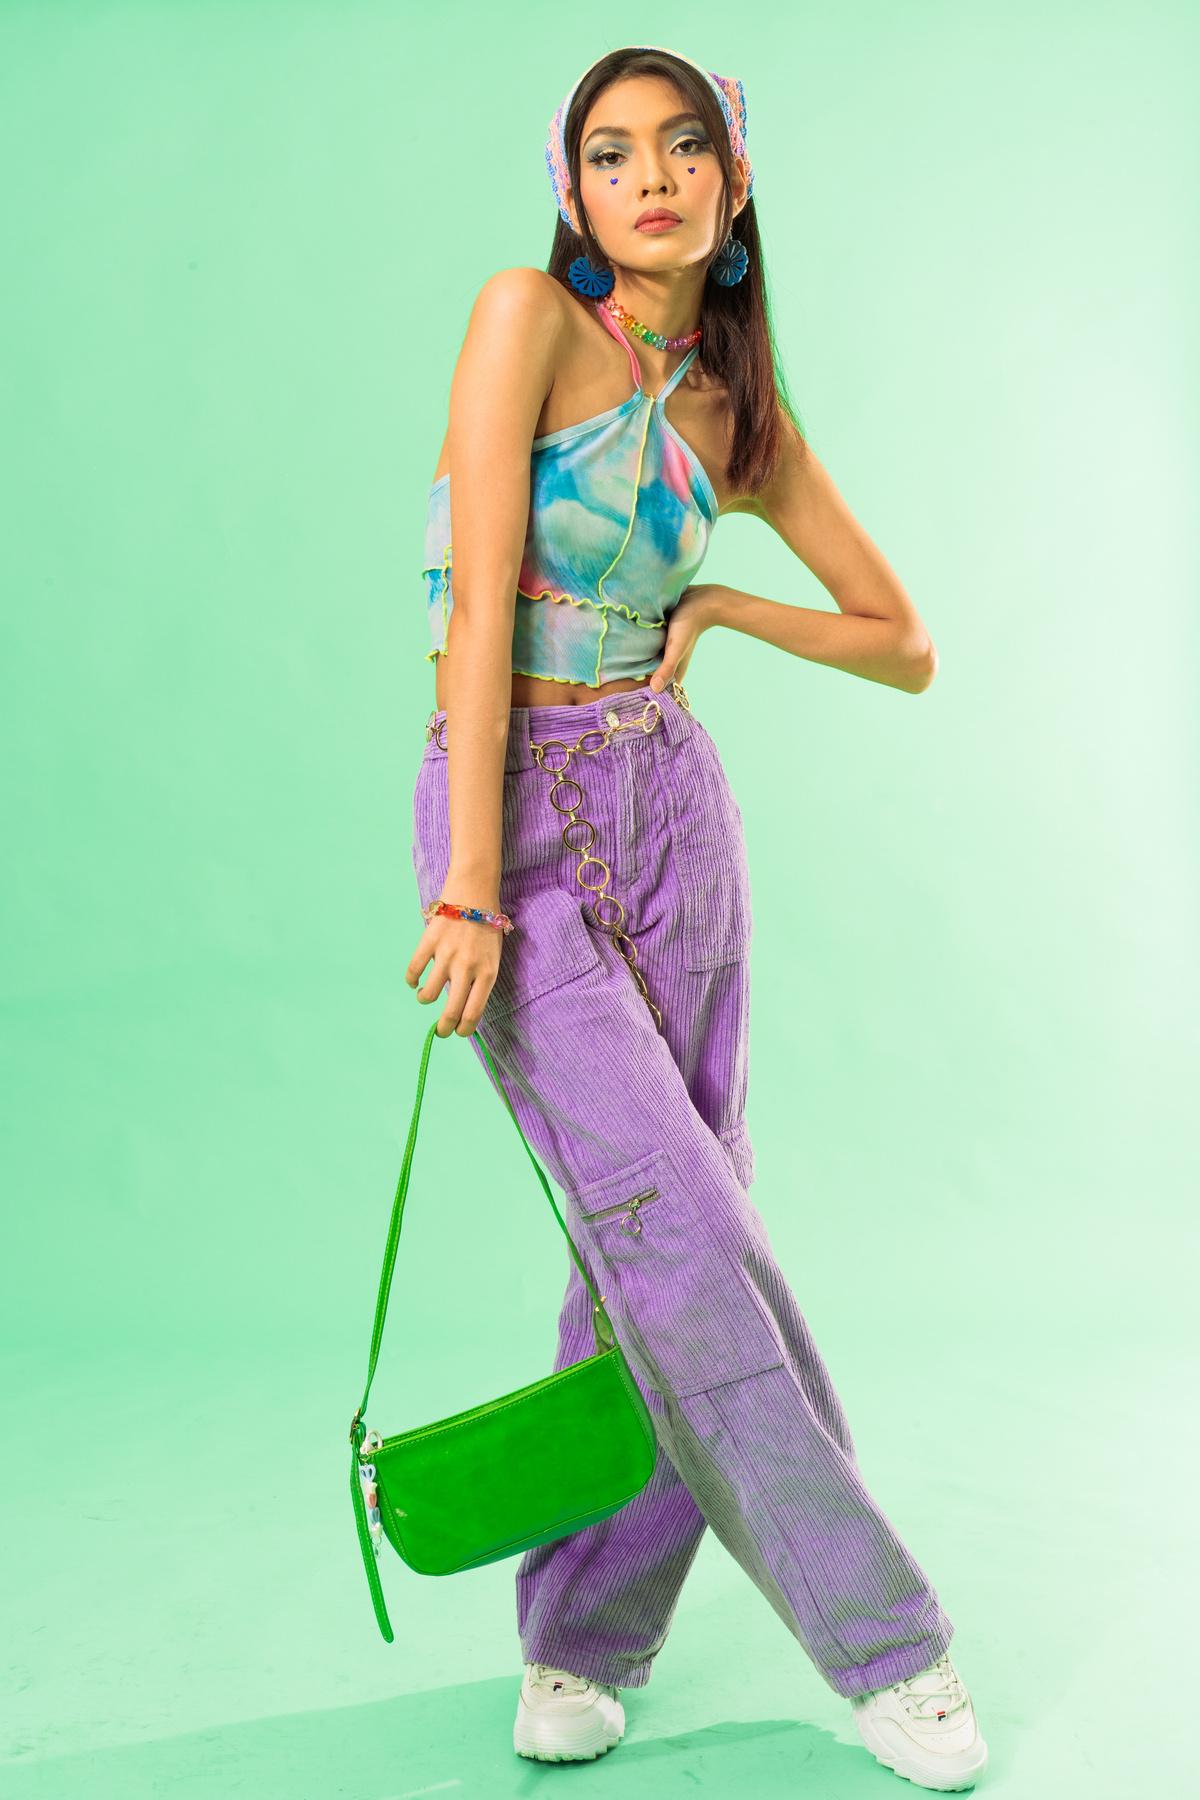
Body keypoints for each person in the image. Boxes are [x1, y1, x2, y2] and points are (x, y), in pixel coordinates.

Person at [405, 43, 989, 1793]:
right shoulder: (526, 317)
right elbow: (482, 606)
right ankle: (889, 1643)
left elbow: (903, 642)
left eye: (682, 147)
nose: (648, 177)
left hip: (672, 815)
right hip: (516, 818)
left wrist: (728, 606)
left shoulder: (740, 416)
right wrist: (468, 880)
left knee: (653, 1248)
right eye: (610, 152)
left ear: (733, 188)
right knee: (687, 1237)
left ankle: (583, 1638)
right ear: (571, 189)